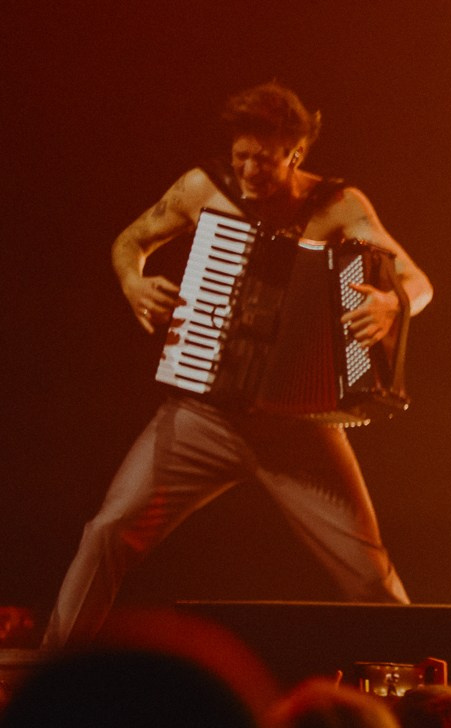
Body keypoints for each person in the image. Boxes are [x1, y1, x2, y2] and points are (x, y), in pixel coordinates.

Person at [45, 81, 431, 647]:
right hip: (205, 415)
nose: (248, 171)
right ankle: (50, 675)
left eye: (264, 160)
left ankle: (429, 687)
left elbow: (418, 283)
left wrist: (393, 302)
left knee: (367, 573)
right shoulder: (205, 188)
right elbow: (131, 241)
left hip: (299, 430)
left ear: (296, 153)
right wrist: (133, 282)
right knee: (108, 532)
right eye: (241, 156)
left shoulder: (338, 204)